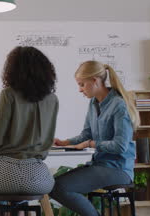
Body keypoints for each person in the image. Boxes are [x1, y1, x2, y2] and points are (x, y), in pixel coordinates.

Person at [50, 61, 139, 216]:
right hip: (100, 164)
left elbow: (120, 146)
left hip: (118, 168)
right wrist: (65, 142)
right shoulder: (93, 103)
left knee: (59, 187)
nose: (80, 90)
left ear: (95, 81)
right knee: (55, 186)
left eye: (82, 84)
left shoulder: (119, 105)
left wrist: (91, 144)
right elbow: (86, 134)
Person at [0, 46, 58, 196]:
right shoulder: (53, 99)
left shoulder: (8, 94)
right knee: (18, 194)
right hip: (39, 178)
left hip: (4, 175)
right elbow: (48, 140)